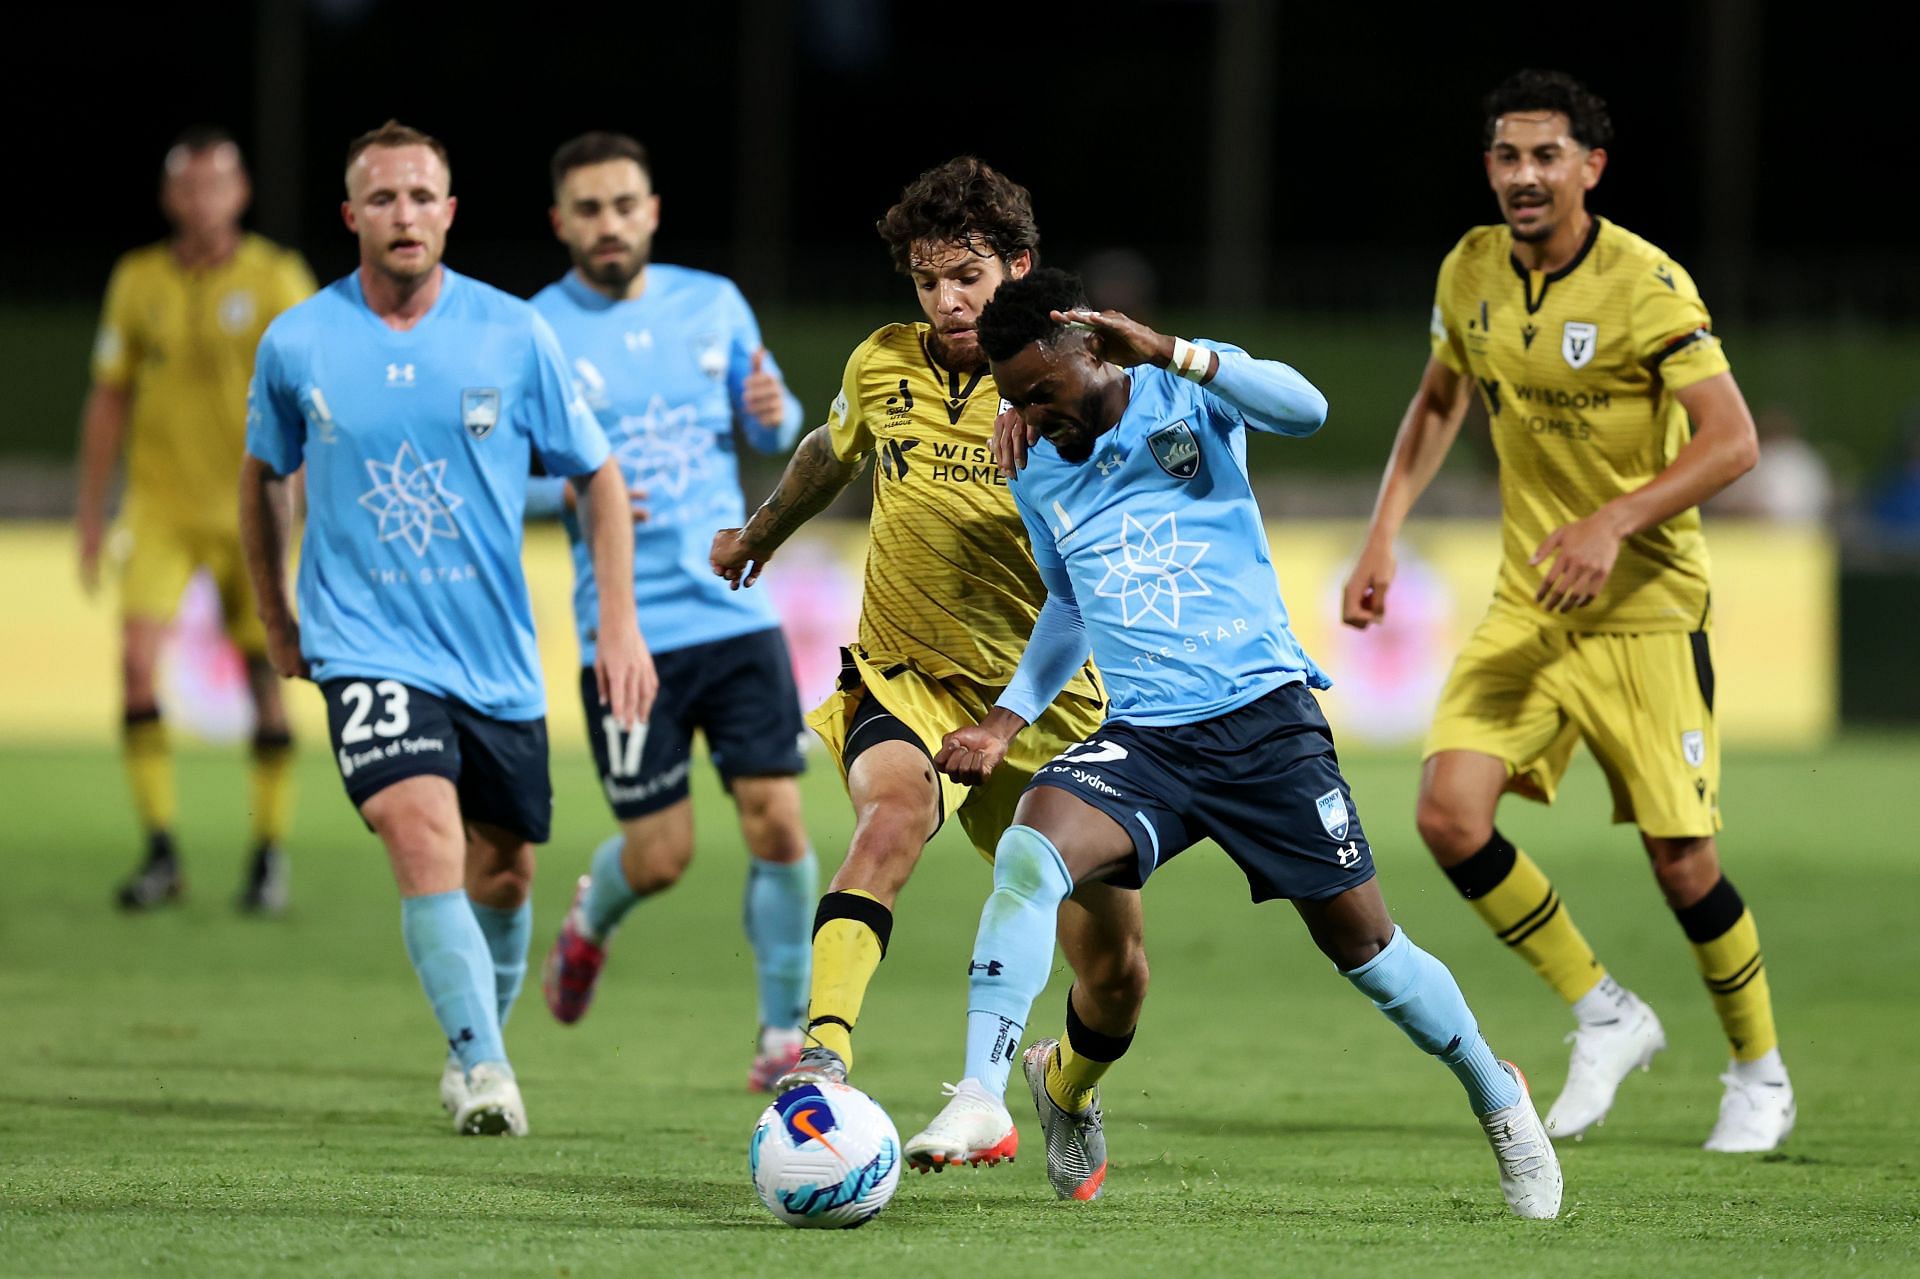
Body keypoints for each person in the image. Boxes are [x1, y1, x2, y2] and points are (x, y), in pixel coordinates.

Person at [908, 268, 1561, 1220]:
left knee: (1370, 952)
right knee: (1028, 850)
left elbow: (1308, 409)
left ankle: (1499, 1097)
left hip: (1264, 725)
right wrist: (1007, 717)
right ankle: (981, 1092)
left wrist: (1176, 350)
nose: (1030, 416)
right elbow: (1068, 601)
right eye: (1013, 400)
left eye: (1040, 392)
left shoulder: (1186, 392)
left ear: (1091, 347)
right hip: (1146, 741)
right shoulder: (1038, 465)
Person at [1340, 70, 1790, 1153]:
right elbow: (1442, 394)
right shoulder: (1471, 267)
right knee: (1448, 815)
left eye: (1547, 156)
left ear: (1592, 165)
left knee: (1684, 861)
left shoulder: (1648, 284)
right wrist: (1383, 529)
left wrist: (1613, 521)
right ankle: (1604, 1010)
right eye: (1507, 155)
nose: (1524, 176)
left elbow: (1733, 442)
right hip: (1530, 599)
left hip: (1645, 606)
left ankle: (1759, 1071)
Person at [710, 161, 1146, 1172]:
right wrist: (762, 532)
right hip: (905, 670)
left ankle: (1061, 1083)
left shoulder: (1068, 391)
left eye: (968, 275)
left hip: (1045, 702)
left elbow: (1095, 573)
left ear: (1020, 266)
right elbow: (833, 444)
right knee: (890, 817)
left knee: (1115, 968)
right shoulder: (882, 363)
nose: (947, 300)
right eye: (927, 280)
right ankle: (822, 1055)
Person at [239, 121, 654, 1136]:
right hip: (364, 644)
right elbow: (261, 478)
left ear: (450, 211)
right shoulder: (298, 341)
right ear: (352, 216)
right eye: (382, 199)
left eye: (423, 196)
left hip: (494, 659)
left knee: (505, 870)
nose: (404, 214)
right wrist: (275, 612)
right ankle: (486, 1069)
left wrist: (620, 623)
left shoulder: (512, 334)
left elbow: (597, 477)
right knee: (421, 832)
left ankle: (473, 1038)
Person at [531, 131, 819, 1091]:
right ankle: (588, 921)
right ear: (561, 223)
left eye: (623, 205)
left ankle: (785, 1033)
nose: (608, 224)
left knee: (778, 819)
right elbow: (498, 470)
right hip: (625, 628)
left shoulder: (713, 302)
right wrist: (564, 497)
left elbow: (774, 422)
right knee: (660, 856)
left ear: (650, 211)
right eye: (588, 208)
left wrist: (776, 411)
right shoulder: (532, 332)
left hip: (734, 612)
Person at [76, 126, 315, 913]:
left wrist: (312, 508)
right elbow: (109, 395)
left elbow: (314, 396)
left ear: (240, 194)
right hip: (161, 507)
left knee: (265, 676)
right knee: (135, 662)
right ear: (170, 196)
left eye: (218, 183)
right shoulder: (137, 279)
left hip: (255, 504)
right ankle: (161, 850)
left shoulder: (277, 277)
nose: (203, 199)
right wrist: (89, 513)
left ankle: (270, 851)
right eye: (189, 185)